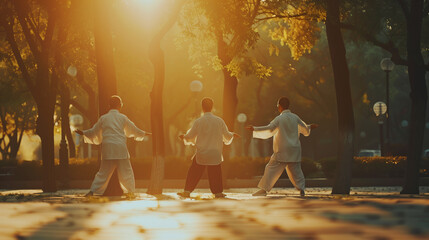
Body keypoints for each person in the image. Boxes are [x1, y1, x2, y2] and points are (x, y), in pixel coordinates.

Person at [75, 95, 151, 197]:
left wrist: (83, 133)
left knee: (103, 172)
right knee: (127, 172)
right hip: (120, 148)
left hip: (108, 148)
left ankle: (92, 191)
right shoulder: (122, 118)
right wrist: (144, 133)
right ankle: (131, 192)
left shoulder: (103, 118)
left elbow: (94, 131)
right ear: (119, 105)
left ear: (109, 105)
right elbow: (134, 129)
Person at [246, 97, 318, 197]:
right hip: (294, 150)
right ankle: (301, 189)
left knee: (270, 169)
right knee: (297, 172)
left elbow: (269, 128)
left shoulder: (279, 119)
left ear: (279, 106)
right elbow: (304, 128)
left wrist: (255, 129)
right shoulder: (295, 117)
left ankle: (263, 190)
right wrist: (310, 127)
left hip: (282, 150)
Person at [177, 97, 240, 198]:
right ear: (212, 107)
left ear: (202, 107)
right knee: (216, 173)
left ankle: (187, 191)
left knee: (193, 172)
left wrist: (184, 137)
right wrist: (232, 135)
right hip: (215, 153)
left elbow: (191, 136)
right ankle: (218, 193)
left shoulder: (198, 121)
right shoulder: (219, 121)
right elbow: (227, 135)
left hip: (202, 153)